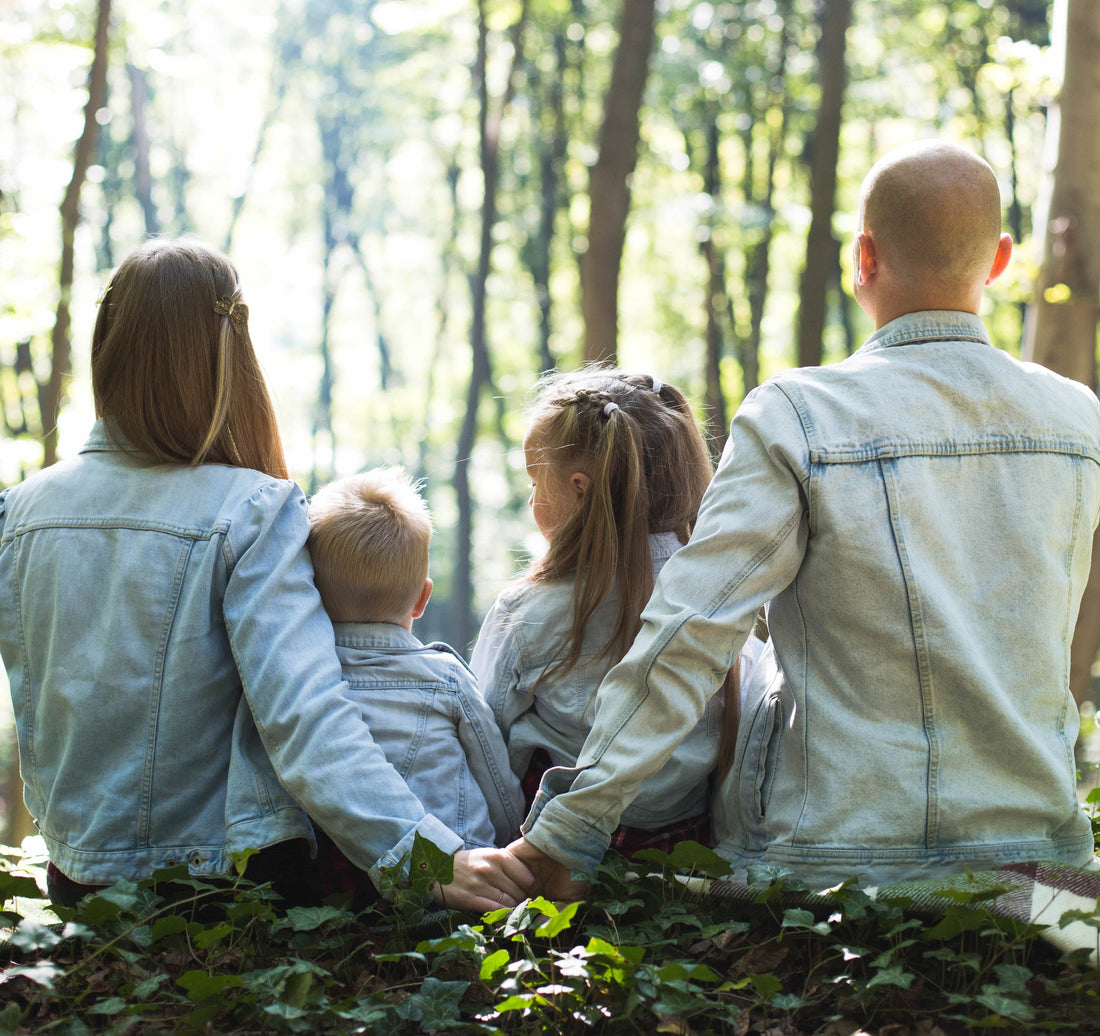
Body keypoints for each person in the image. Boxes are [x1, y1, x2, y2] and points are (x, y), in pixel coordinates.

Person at [509, 140, 1100, 896]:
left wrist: (571, 830)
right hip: (1041, 864)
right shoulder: (1076, 419)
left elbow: (691, 631)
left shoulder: (799, 415)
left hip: (831, 861)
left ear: (863, 257)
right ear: (1000, 261)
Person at [0, 237, 533, 912]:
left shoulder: (19, 511)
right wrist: (427, 857)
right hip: (219, 889)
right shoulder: (252, 509)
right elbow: (306, 717)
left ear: (107, 344)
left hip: (78, 883)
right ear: (229, 355)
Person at [471, 368, 766, 855]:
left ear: (580, 488)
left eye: (535, 482)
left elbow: (486, 742)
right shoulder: (722, 606)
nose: (531, 500)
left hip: (549, 852)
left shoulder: (526, 612)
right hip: (684, 852)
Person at [306, 466, 524, 858]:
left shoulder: (301, 680)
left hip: (342, 880)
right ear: (422, 599)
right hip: (459, 869)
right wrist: (509, 840)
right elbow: (498, 786)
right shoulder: (446, 678)